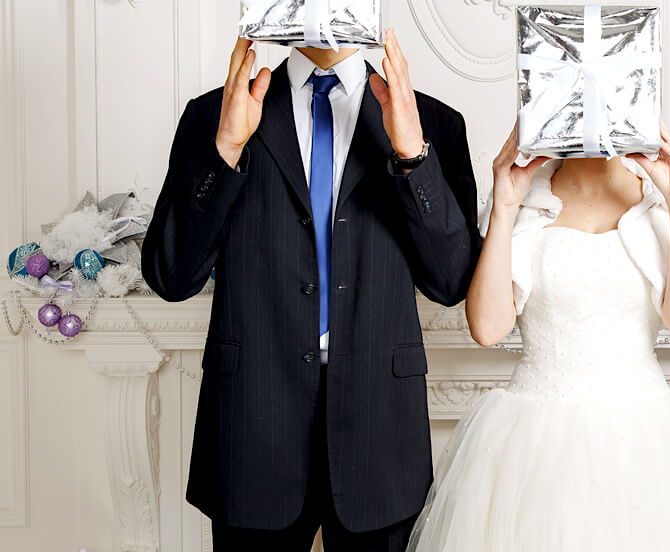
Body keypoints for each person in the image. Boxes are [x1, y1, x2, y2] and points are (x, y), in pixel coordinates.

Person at [141, 31, 482, 550]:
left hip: (381, 434)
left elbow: (451, 281)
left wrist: (412, 156)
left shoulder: (432, 121)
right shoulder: (215, 113)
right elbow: (171, 275)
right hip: (251, 426)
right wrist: (227, 149)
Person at [405, 123, 670, 551]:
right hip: (534, 447)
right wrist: (506, 205)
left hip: (643, 441)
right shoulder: (521, 191)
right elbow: (488, 328)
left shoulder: (666, 193)